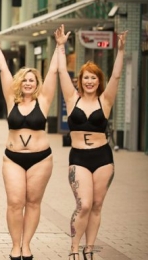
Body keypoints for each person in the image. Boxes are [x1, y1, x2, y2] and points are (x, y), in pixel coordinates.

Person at [0, 26, 66, 260]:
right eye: (24, 80)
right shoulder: (11, 100)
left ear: (37, 83)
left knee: (33, 202)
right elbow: (4, 69)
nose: (28, 83)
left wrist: (60, 46)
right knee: (15, 202)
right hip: (12, 158)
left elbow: (53, 71)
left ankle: (26, 245)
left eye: (32, 80)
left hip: (40, 158)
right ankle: (15, 245)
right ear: (19, 83)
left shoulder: (44, 101)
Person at [58, 28, 127, 260]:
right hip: (78, 158)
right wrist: (60, 46)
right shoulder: (71, 98)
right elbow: (60, 73)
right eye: (85, 77)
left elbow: (117, 76)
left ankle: (89, 249)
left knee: (97, 205)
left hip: (103, 158)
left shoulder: (105, 100)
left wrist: (121, 50)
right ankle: (74, 248)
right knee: (84, 204)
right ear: (81, 80)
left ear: (99, 81)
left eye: (93, 77)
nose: (89, 81)